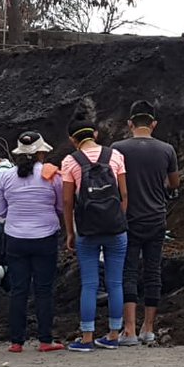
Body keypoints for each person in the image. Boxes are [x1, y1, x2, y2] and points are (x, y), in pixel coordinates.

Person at [112, 100, 180, 345]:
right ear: (153, 123)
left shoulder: (117, 149)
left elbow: (112, 183)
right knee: (153, 272)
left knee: (127, 272)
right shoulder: (167, 150)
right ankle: (148, 328)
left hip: (128, 220)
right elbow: (174, 184)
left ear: (130, 123)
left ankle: (128, 330)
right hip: (156, 219)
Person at [0, 131, 66, 353]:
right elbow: (62, 206)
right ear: (41, 152)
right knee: (43, 290)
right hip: (45, 238)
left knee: (18, 290)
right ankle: (45, 340)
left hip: (15, 238)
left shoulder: (5, 176)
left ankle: (16, 341)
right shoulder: (52, 175)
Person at [61, 116, 129, 352]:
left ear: (72, 139)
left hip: (87, 231)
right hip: (115, 229)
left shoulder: (70, 162)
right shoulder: (116, 156)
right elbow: (124, 194)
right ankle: (113, 335)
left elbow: (68, 201)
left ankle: (87, 338)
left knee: (89, 284)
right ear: (95, 134)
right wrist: (118, 219)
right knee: (115, 282)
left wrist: (70, 231)